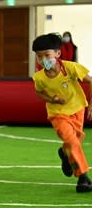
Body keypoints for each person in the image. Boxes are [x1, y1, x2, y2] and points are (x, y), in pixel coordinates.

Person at [32, 33, 92, 193]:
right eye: (39, 56)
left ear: (57, 54)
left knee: (74, 143)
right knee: (72, 141)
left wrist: (91, 104)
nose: (43, 59)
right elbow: (39, 93)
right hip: (57, 114)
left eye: (47, 55)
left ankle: (65, 153)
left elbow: (91, 81)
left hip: (77, 109)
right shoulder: (39, 77)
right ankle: (83, 177)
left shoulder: (71, 68)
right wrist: (52, 99)